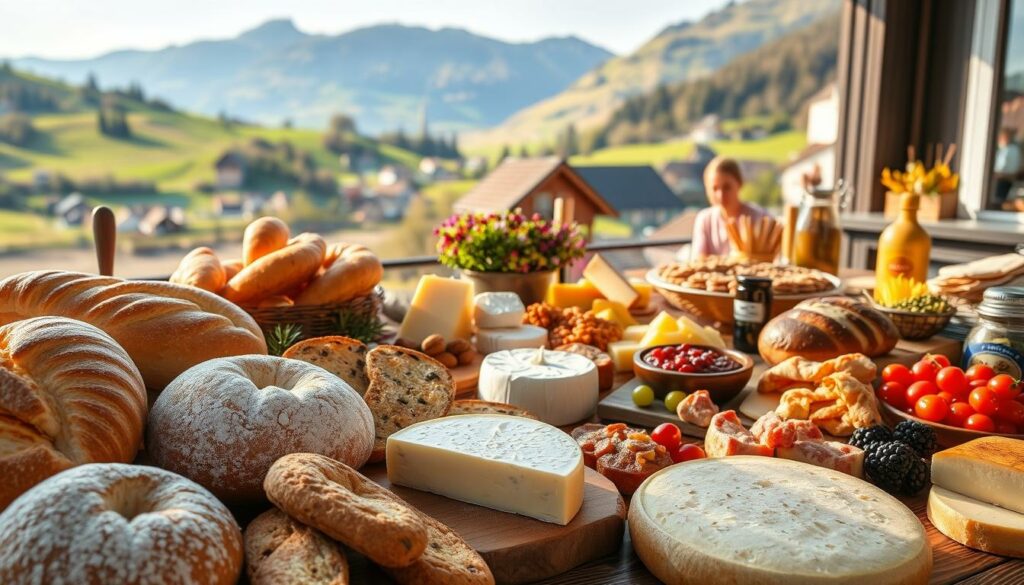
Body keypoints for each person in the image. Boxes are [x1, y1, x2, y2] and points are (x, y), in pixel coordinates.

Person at [691, 156, 770, 258]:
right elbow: (698, 259)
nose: (721, 195)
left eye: (727, 187)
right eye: (715, 188)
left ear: (740, 184)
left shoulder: (760, 218)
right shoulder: (704, 219)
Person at [993, 127, 1021, 206]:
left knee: (1000, 200)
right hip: (1000, 178)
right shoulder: (1002, 149)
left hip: (1005, 179)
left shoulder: (1012, 150)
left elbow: (1007, 168)